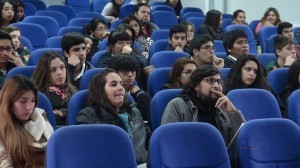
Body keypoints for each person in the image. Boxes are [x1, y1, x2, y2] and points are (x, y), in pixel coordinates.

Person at [76, 69, 148, 165]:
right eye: (114, 84)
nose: (121, 88)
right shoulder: (87, 116)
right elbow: (86, 154)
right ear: (100, 91)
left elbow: (149, 140)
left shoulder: (134, 112)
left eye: (121, 84)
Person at [161, 65, 245, 146]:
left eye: (219, 82)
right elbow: (169, 142)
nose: (216, 86)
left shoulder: (223, 108)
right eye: (210, 81)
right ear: (196, 86)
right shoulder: (177, 105)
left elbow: (244, 142)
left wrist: (233, 113)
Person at [0, 75, 54, 167]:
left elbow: (55, 150)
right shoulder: (3, 127)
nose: (29, 107)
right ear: (9, 102)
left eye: (33, 101)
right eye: (23, 101)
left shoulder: (40, 116)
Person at [32, 51, 77, 126]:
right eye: (53, 70)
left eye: (62, 67)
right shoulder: (39, 96)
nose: (60, 73)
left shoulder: (73, 90)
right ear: (44, 73)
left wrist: (64, 112)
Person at [108, 53, 151, 122]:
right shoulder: (110, 95)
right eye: (125, 71)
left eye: (133, 71)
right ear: (114, 72)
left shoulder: (140, 95)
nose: (130, 75)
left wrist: (141, 95)